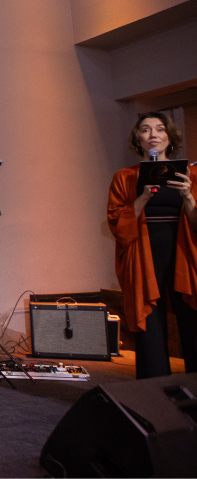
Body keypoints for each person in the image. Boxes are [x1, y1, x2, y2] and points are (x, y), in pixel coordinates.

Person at [108, 111, 197, 379]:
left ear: (170, 137)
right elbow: (117, 223)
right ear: (138, 138)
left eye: (160, 129)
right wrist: (143, 196)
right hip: (144, 254)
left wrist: (188, 197)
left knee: (192, 318)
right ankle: (155, 388)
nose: (153, 134)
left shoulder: (191, 174)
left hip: (184, 253)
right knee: (150, 321)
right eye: (145, 130)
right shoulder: (126, 177)